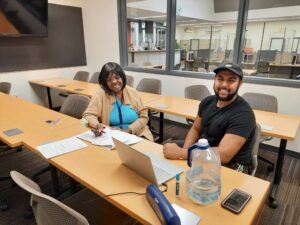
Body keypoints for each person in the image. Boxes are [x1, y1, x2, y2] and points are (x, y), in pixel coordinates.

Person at [163, 63, 256, 172]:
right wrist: (186, 151)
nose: (224, 85)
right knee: (165, 148)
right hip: (204, 149)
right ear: (214, 79)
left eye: (231, 80)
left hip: (231, 164)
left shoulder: (243, 114)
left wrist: (182, 153)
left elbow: (224, 155)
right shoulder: (207, 102)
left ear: (240, 83)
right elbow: (195, 129)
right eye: (220, 79)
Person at [82, 62, 153, 141]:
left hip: (138, 134)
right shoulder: (100, 94)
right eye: (109, 80)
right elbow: (88, 115)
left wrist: (128, 130)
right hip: (111, 136)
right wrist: (97, 125)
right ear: (105, 82)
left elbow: (144, 117)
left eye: (117, 77)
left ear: (122, 77)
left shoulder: (133, 93)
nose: (114, 81)